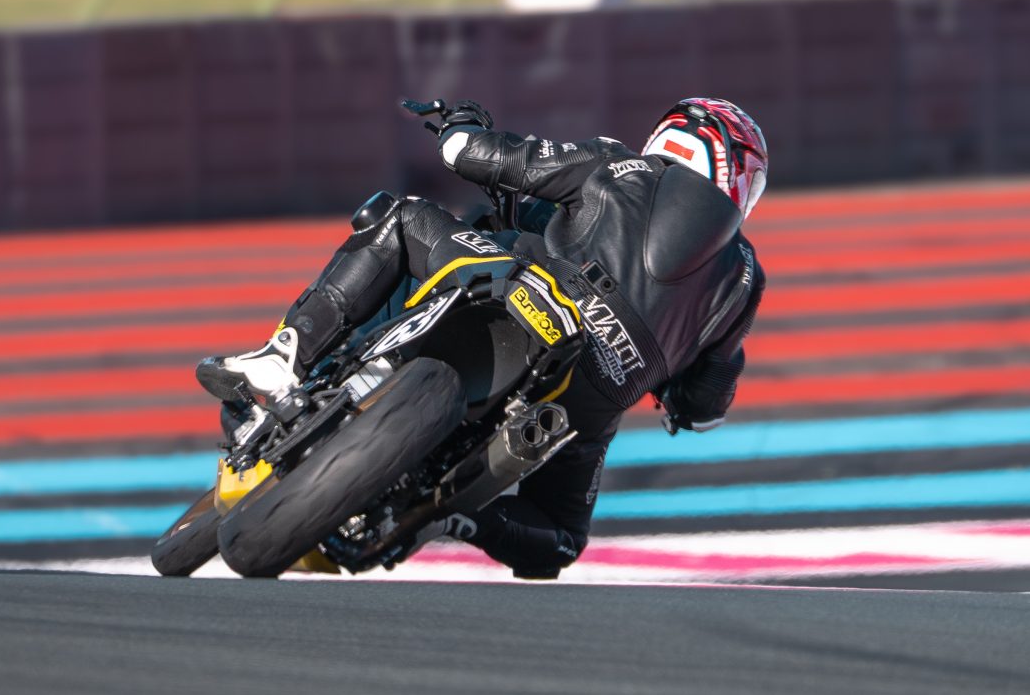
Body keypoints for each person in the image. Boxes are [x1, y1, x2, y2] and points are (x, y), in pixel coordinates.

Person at [197, 98, 768, 579]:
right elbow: (704, 407)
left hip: (528, 292)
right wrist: (670, 391)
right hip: (593, 395)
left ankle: (286, 357)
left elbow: (472, 155)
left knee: (403, 217)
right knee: (561, 540)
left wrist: (459, 123)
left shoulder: (619, 164)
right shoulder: (745, 280)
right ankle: (449, 517)